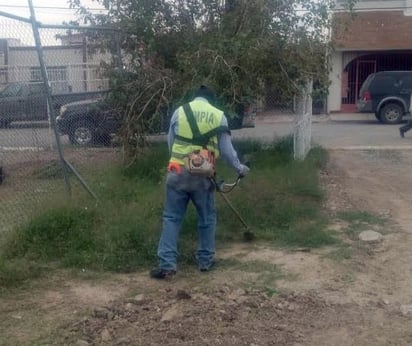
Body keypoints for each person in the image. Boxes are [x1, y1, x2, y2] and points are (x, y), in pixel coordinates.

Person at [150, 85, 250, 279]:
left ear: (194, 98)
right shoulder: (218, 115)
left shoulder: (180, 112)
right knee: (207, 218)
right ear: (210, 100)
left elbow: (171, 142)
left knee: (171, 218)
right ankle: (205, 261)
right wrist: (240, 168)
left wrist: (178, 162)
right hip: (203, 175)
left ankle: (167, 265)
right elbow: (227, 151)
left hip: (177, 171)